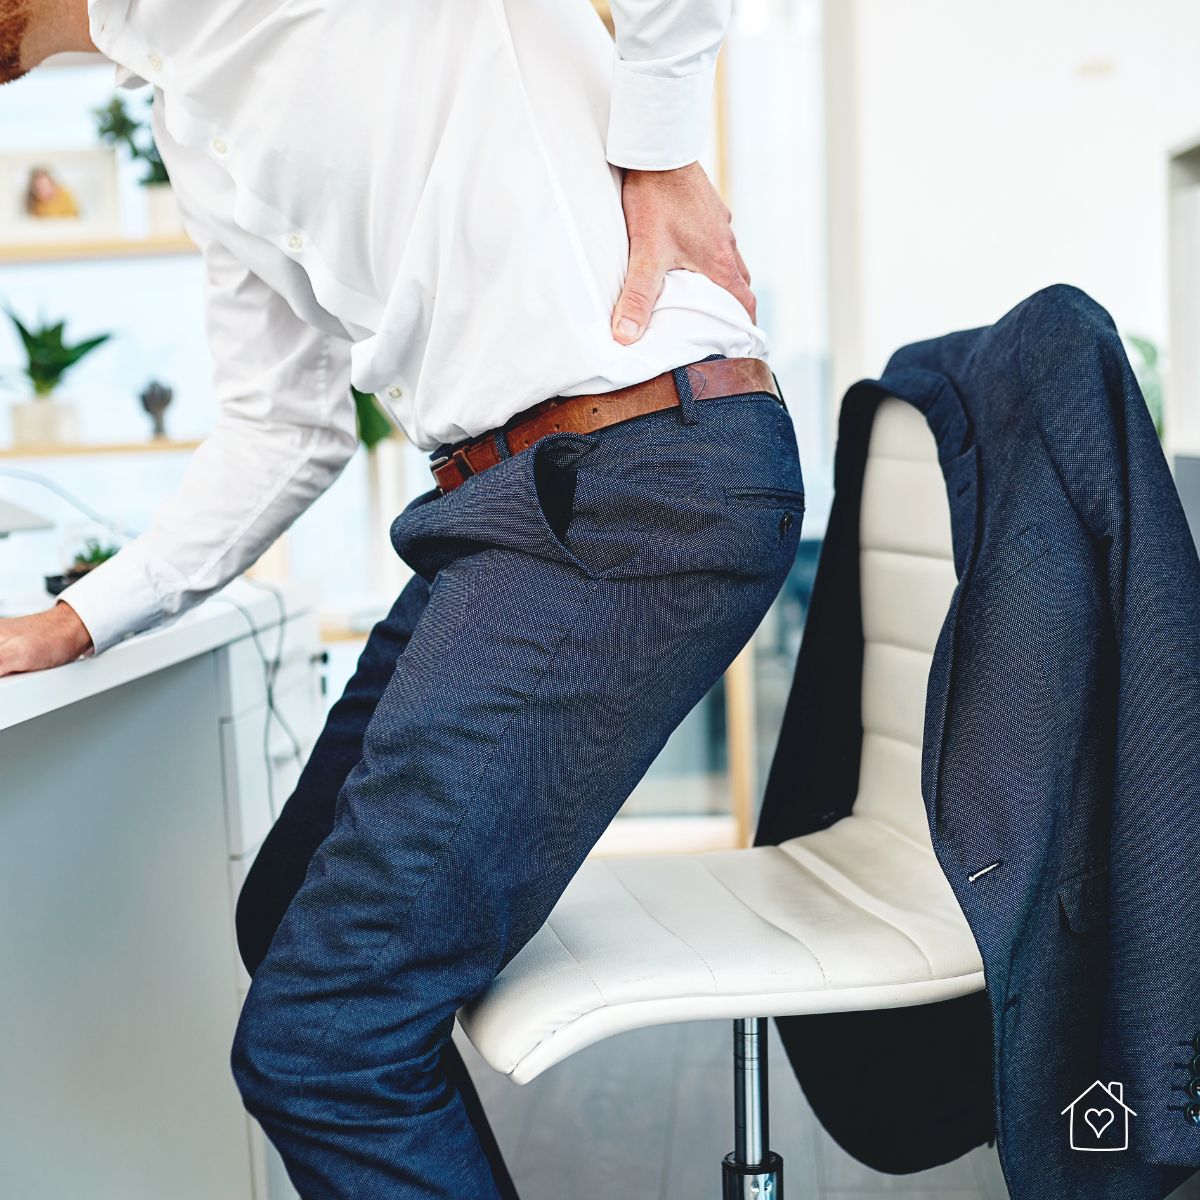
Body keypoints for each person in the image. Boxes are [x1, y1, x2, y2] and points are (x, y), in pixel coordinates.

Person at [0, 1, 805, 1195]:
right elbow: (286, 424)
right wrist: (75, 617)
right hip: (505, 509)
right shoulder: (189, 110)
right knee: (285, 926)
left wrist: (661, 142)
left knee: (325, 1041)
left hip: (639, 474)